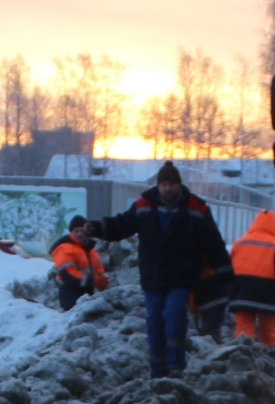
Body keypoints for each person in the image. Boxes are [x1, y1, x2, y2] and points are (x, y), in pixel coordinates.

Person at [93, 161, 228, 378]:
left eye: (172, 184)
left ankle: (176, 366)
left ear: (179, 185)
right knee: (154, 320)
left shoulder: (196, 208)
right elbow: (122, 225)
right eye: (163, 184)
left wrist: (225, 273)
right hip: (153, 277)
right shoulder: (143, 205)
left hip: (181, 277)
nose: (167, 188)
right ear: (158, 185)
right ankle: (157, 370)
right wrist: (97, 228)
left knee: (174, 315)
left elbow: (214, 243)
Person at [226, 209, 275, 350]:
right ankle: (270, 355)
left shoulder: (239, 243)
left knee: (244, 327)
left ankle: (242, 353)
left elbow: (227, 267)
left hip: (241, 291)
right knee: (268, 328)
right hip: (267, 293)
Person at [47, 217, 107, 312]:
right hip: (70, 294)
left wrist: (101, 277)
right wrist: (93, 280)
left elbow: (98, 265)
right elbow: (67, 273)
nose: (79, 233)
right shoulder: (65, 248)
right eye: (76, 231)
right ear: (71, 232)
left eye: (82, 231)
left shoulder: (89, 248)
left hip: (88, 292)